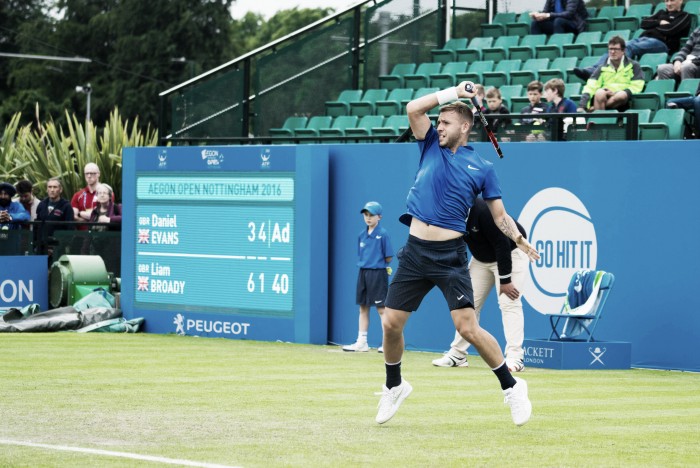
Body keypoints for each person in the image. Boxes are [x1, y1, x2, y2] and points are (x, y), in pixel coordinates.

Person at [375, 80, 539, 427]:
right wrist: (453, 92)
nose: (439, 126)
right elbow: (413, 109)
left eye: (446, 122)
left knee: (467, 328)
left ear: (465, 126)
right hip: (416, 252)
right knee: (390, 323)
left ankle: (512, 387)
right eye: (438, 122)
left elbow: (499, 216)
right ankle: (394, 385)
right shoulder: (430, 145)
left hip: (450, 256)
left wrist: (519, 240)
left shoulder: (482, 168)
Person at [432, 198, 528, 371]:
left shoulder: (484, 210)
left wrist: (505, 280)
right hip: (481, 259)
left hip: (511, 253)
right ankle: (458, 354)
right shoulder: (451, 212)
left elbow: (502, 243)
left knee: (509, 303)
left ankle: (515, 358)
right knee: (467, 304)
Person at [573, 0, 691, 81]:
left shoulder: (684, 16)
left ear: (680, 1)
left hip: (662, 44)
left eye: (672, 1)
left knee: (626, 47)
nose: (668, 4)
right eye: (666, 1)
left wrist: (654, 26)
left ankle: (618, 73)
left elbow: (671, 30)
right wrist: (658, 22)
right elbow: (643, 23)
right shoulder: (661, 13)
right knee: (616, 46)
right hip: (643, 39)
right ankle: (594, 70)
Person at [342, 201, 394, 353]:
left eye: (371, 215)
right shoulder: (361, 235)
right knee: (363, 308)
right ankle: (362, 342)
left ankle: (388, 343)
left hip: (378, 273)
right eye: (366, 215)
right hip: (363, 273)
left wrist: (377, 265)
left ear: (379, 217)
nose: (368, 218)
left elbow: (388, 257)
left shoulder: (383, 234)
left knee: (381, 309)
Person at [578, 36, 645, 112]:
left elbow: (637, 86)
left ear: (623, 51)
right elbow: (590, 86)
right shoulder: (601, 67)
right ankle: (599, 118)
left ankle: (595, 110)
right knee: (599, 93)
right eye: (610, 49)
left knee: (621, 95)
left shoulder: (634, 65)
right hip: (604, 96)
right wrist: (582, 105)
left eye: (616, 49)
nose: (612, 52)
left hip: (623, 99)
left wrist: (615, 93)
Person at [35, 177, 75, 257]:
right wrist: (36, 245)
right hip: (41, 247)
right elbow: (37, 227)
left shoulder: (66, 206)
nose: (52, 190)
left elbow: (69, 230)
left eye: (55, 187)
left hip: (58, 248)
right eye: (50, 187)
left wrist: (57, 248)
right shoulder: (41, 204)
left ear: (60, 190)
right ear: (47, 189)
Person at [71, 162, 112, 230]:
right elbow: (74, 216)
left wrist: (80, 213)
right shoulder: (77, 195)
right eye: (86, 173)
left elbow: (104, 215)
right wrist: (91, 221)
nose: (89, 176)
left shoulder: (107, 193)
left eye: (92, 173)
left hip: (101, 235)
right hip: (82, 236)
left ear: (98, 174)